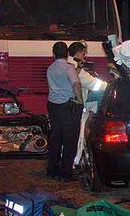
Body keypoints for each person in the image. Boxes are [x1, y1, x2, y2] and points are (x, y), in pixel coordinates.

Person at [46, 42, 83, 181]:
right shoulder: (68, 68)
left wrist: (77, 69)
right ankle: (66, 173)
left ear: (53, 54)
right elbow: (76, 84)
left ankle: (52, 170)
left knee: (56, 138)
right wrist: (79, 100)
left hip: (53, 106)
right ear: (67, 54)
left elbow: (64, 81)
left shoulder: (50, 68)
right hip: (68, 107)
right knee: (70, 140)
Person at [68, 42, 107, 166]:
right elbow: (92, 83)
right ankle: (75, 162)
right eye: (84, 53)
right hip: (76, 106)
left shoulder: (69, 64)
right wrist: (109, 86)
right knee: (79, 135)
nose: (85, 56)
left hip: (66, 105)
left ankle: (70, 161)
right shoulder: (76, 69)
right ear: (79, 52)